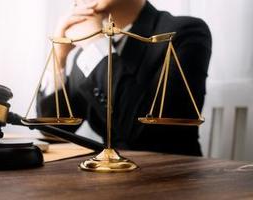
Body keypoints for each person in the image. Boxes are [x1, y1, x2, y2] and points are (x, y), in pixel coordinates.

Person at [38, 0, 212, 156]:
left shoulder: (186, 32)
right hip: (108, 179)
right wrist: (58, 58)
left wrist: (95, 46)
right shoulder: (86, 55)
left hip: (173, 177)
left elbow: (150, 134)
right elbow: (55, 131)